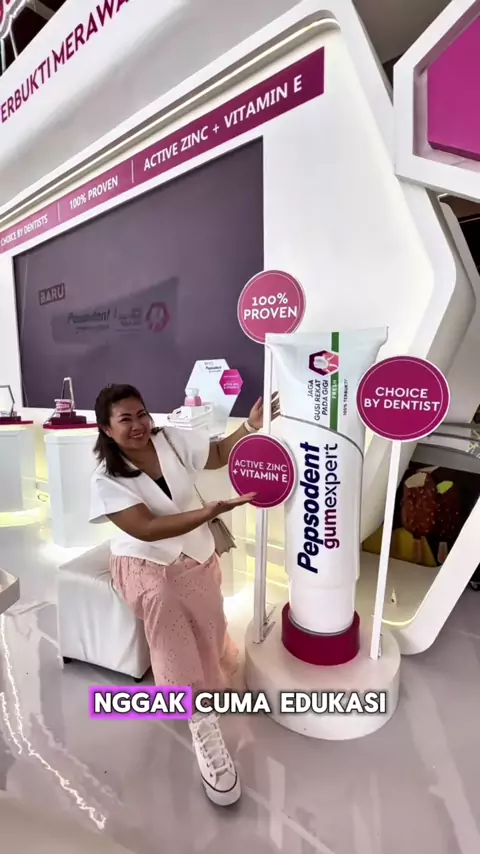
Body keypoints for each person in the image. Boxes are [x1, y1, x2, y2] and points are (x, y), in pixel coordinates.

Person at [90, 383, 279, 807]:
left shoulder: (171, 439)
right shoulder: (106, 479)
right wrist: (208, 511)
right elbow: (146, 529)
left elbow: (218, 453)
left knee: (209, 615)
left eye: (141, 414)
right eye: (125, 419)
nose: (138, 425)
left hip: (194, 549)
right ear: (106, 428)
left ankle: (209, 673)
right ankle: (198, 718)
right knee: (167, 607)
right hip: (144, 561)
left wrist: (251, 426)